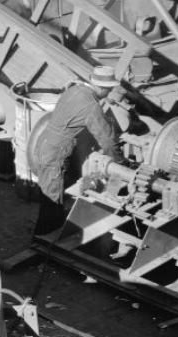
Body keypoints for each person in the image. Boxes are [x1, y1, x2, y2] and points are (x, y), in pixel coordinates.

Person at [30, 65, 121, 235]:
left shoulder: (74, 89)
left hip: (44, 141)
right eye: (108, 90)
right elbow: (107, 140)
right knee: (52, 199)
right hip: (56, 151)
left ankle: (50, 231)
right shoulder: (92, 107)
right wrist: (119, 162)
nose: (109, 93)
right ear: (100, 87)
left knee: (49, 194)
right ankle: (43, 240)